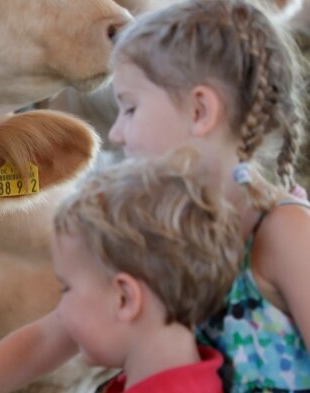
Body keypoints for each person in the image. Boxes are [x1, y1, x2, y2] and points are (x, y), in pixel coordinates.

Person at [105, 0, 310, 391]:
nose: (115, 134)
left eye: (129, 108)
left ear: (200, 110)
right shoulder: (163, 227)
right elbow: (55, 334)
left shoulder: (288, 231)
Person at [0, 150, 243, 393]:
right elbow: (39, 341)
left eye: (67, 288)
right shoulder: (190, 378)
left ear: (124, 299)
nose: (60, 313)